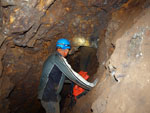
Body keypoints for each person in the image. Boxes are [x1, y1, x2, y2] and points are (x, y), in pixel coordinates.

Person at [38, 38, 98, 113]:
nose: (68, 52)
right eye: (68, 49)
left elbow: (58, 77)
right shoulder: (58, 58)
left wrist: (73, 82)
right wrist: (89, 86)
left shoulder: (52, 58)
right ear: (65, 49)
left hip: (49, 95)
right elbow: (72, 74)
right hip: (49, 96)